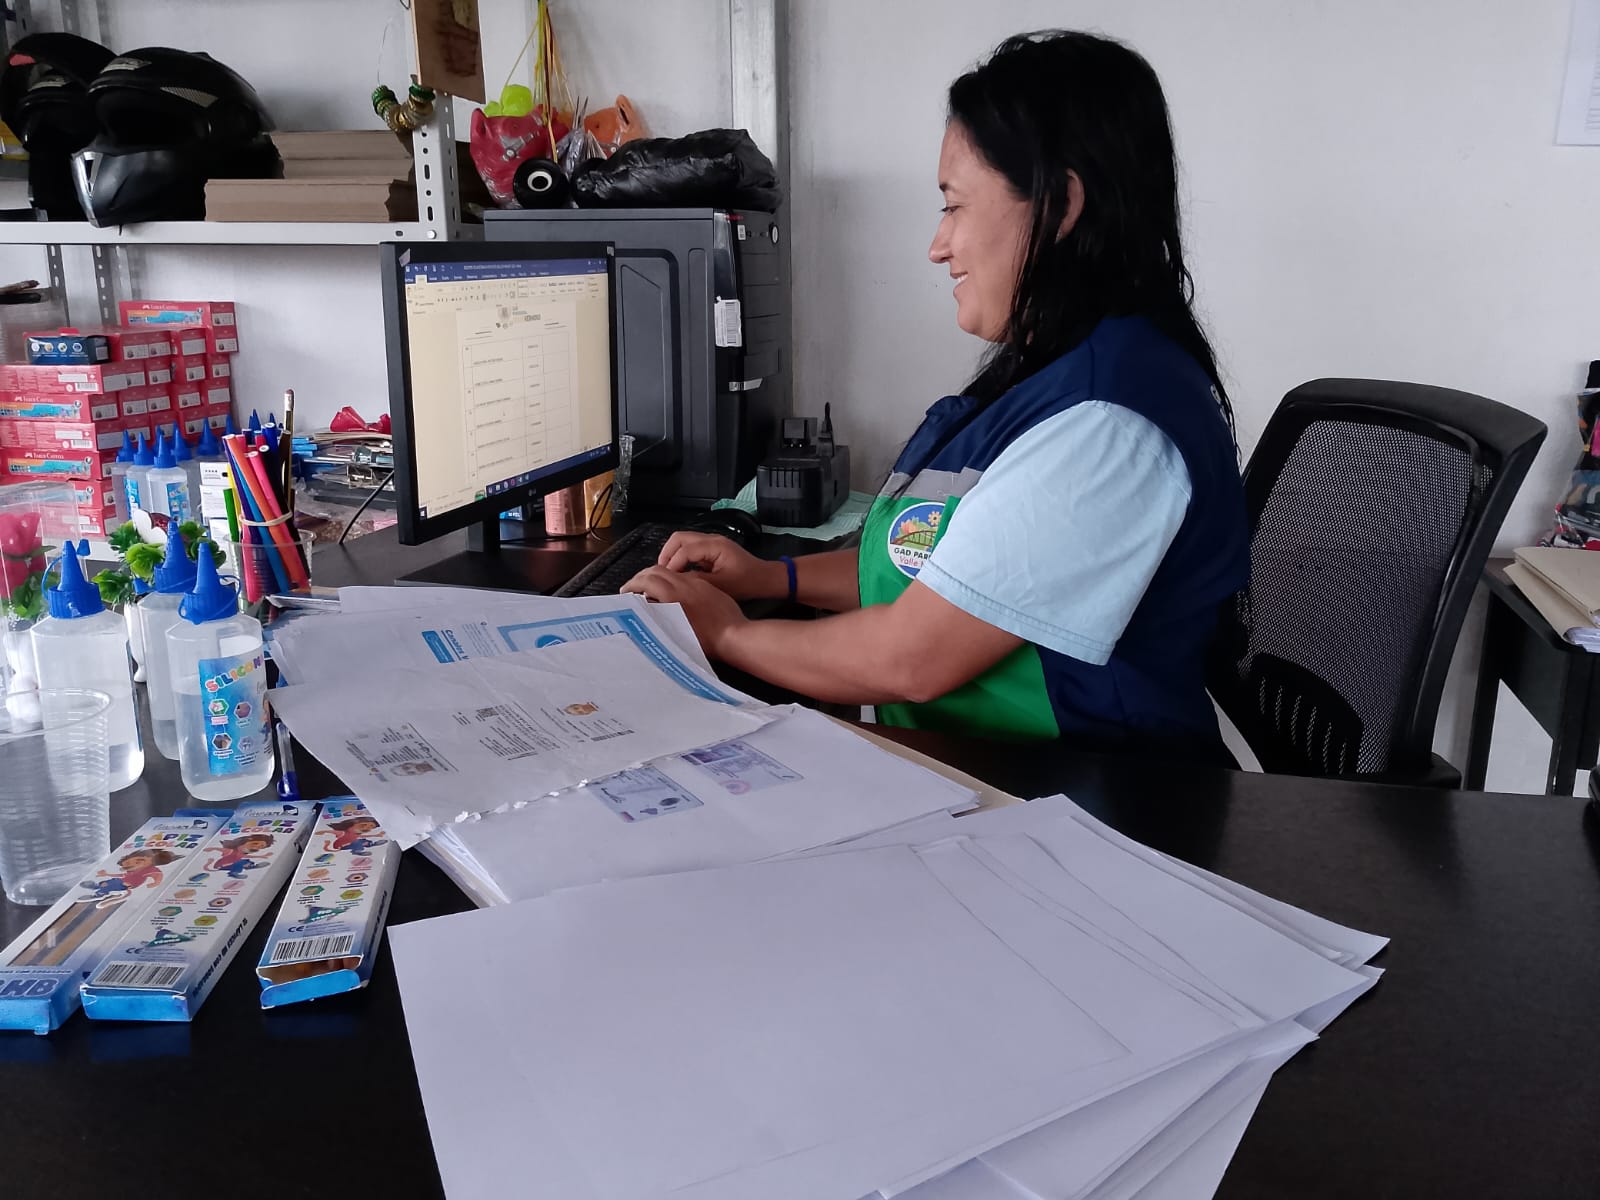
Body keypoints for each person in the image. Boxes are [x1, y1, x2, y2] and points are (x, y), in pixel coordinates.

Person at [624, 30, 1249, 762]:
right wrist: (772, 577)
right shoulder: (1057, 375)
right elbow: (933, 563)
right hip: (999, 769)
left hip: (1092, 796)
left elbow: (912, 656)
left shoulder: (1108, 424)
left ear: (1059, 205)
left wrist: (728, 632)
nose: (937, 245)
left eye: (954, 207)